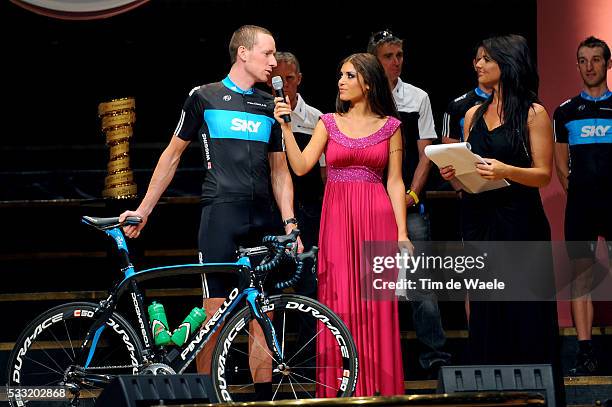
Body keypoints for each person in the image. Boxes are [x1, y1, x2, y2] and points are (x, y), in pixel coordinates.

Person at [120, 25, 298, 400]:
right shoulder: (204, 96)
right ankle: (205, 396)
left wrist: (290, 224)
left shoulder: (270, 106)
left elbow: (280, 172)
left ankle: (264, 396)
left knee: (260, 317)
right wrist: (144, 209)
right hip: (220, 216)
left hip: (262, 220)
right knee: (213, 313)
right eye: (267, 54)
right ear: (243, 54)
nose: (274, 62)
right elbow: (172, 155)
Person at [438, 34, 564, 403]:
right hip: (480, 220)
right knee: (487, 310)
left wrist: (507, 169)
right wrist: (454, 174)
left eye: (485, 59)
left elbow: (543, 174)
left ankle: (535, 396)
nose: (477, 65)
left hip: (520, 222)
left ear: (507, 63)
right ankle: (490, 396)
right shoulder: (471, 115)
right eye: (477, 59)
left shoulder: (533, 113)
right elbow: (469, 179)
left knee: (525, 312)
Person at [274, 52, 408, 396]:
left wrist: (403, 232)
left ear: (368, 81)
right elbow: (302, 166)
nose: (341, 81)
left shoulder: (391, 127)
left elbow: (395, 182)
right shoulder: (328, 122)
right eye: (341, 75)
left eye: (349, 75)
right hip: (336, 220)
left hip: (377, 219)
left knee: (377, 306)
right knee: (337, 301)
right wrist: (287, 128)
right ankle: (338, 390)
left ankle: (380, 389)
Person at [368, 29, 450, 374]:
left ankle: (435, 357)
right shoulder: (361, 96)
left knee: (421, 286)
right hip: (371, 202)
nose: (396, 62)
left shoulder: (418, 97)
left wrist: (412, 194)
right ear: (374, 59)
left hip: (411, 204)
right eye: (389, 56)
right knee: (373, 284)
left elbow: (427, 153)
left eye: (399, 55)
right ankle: (373, 359)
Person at [553, 36, 612, 376]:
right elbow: (562, 168)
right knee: (581, 280)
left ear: (607, 63)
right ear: (577, 65)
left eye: (596, 59)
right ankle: (585, 351)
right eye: (583, 60)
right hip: (582, 208)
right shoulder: (565, 112)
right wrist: (581, 197)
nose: (589, 66)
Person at [267, 51, 325, 297]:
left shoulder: (317, 119)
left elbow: (325, 172)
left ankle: (308, 337)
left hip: (308, 210)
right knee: (270, 281)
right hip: (272, 209)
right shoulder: (261, 114)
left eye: (289, 78)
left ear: (299, 78)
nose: (284, 84)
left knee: (308, 282)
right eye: (277, 78)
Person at [442, 43, 492, 144]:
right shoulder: (456, 106)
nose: (480, 65)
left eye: (487, 59)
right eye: (478, 60)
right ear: (474, 64)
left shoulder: (519, 103)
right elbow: (449, 152)